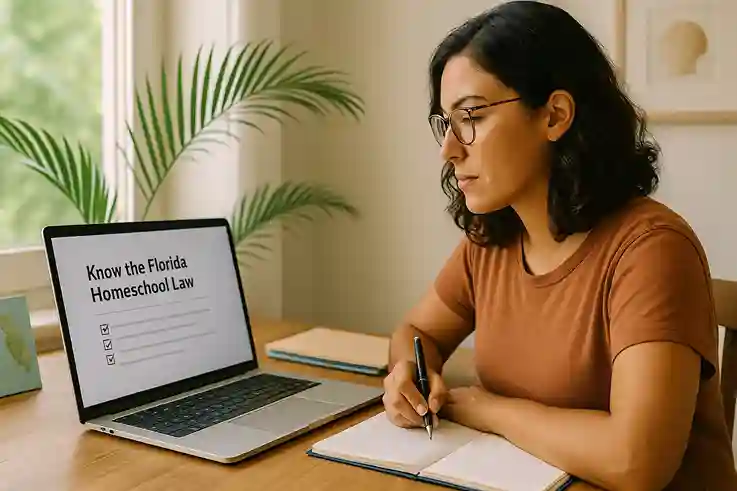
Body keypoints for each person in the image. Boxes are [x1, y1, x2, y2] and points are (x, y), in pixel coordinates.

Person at [381, 2, 737, 490]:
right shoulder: (490, 241)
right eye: (446, 122)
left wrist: (488, 409)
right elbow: (420, 329)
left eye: (471, 117)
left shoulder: (652, 251)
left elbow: (637, 462)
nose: (449, 149)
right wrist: (409, 371)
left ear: (554, 115)